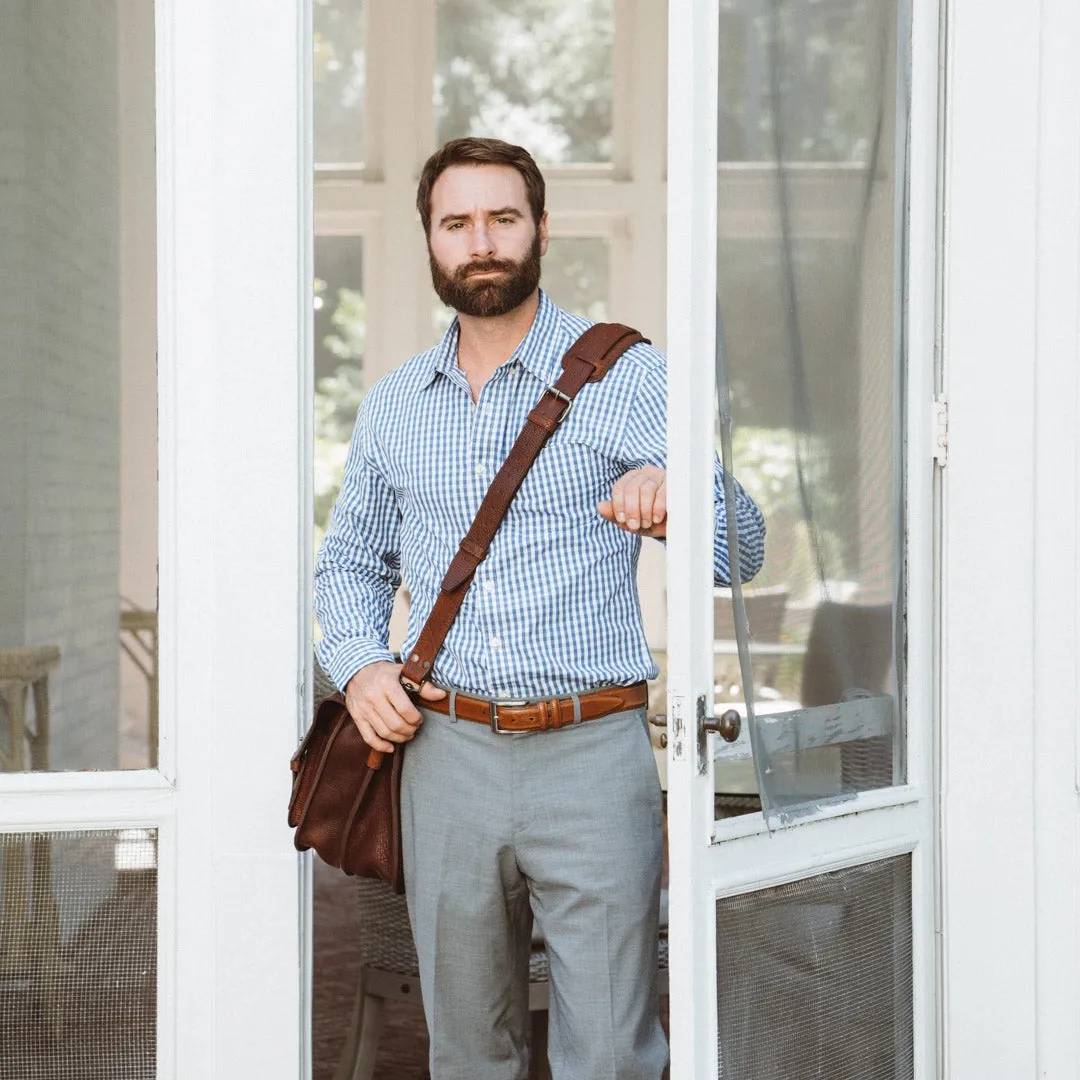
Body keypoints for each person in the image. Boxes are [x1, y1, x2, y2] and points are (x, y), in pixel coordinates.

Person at [314, 137, 765, 1080]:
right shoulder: (396, 407)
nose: (481, 241)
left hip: (592, 758)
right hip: (444, 757)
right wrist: (360, 666)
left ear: (542, 230)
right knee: (468, 1051)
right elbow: (350, 564)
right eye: (457, 222)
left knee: (609, 1050)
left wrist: (679, 494)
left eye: (503, 218)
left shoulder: (629, 377)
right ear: (431, 241)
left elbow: (744, 549)